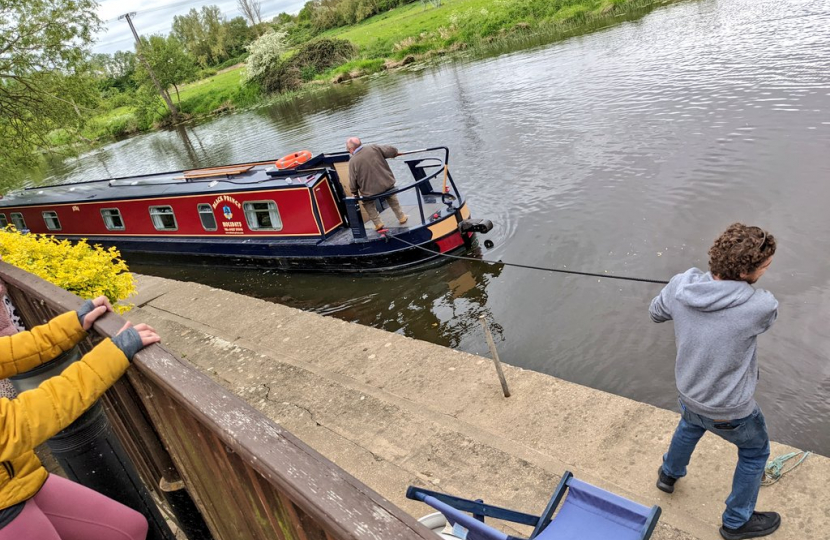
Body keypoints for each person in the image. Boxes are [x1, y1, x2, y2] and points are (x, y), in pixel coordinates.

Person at [650, 223, 779, 540]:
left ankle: (669, 474)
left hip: (690, 393)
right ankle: (736, 522)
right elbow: (767, 310)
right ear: (748, 271)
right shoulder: (759, 305)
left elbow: (656, 312)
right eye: (765, 266)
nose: (767, 271)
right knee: (754, 453)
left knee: (690, 424)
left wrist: (676, 289)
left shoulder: (682, 285)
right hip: (730, 410)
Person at [0, 296, 160, 540]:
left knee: (130, 528)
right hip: (4, 509)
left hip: (18, 476)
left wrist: (73, 325)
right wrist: (112, 355)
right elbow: (21, 421)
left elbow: (8, 353)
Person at [345, 137, 408, 230]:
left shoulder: (352, 161)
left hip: (370, 191)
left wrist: (354, 192)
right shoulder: (374, 148)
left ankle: (378, 223)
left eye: (347, 149)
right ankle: (401, 217)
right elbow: (391, 151)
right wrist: (395, 153)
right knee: (391, 196)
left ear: (351, 149)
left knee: (367, 202)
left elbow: (352, 180)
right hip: (387, 184)